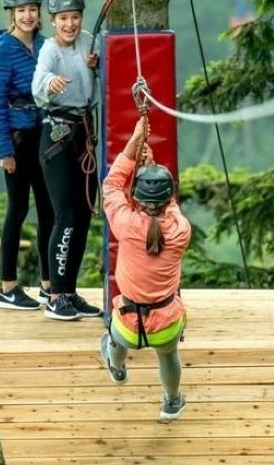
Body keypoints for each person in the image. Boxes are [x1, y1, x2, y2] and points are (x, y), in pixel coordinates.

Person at [99, 117, 192, 422]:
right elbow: (170, 209)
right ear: (168, 198)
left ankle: (118, 369)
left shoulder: (126, 224)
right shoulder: (181, 230)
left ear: (136, 198)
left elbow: (112, 185)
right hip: (165, 323)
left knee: (113, 339)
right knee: (168, 354)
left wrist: (134, 143)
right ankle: (172, 401)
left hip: (128, 323)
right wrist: (151, 170)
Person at [31, 0, 102, 321]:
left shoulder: (89, 41)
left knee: (84, 214)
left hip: (83, 135)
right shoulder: (49, 49)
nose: (69, 24)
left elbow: (97, 70)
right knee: (66, 215)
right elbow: (39, 80)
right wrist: (51, 83)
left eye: (74, 17)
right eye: (63, 19)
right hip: (58, 134)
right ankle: (55, 294)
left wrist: (96, 63)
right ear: (53, 20)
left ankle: (69, 292)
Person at [0, 0, 54, 310]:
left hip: (45, 138)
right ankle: (8, 286)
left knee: (48, 209)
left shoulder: (44, 45)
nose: (27, 16)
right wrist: (4, 152)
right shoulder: (3, 50)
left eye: (32, 9)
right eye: (21, 10)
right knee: (18, 210)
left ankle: (48, 283)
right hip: (18, 139)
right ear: (11, 14)